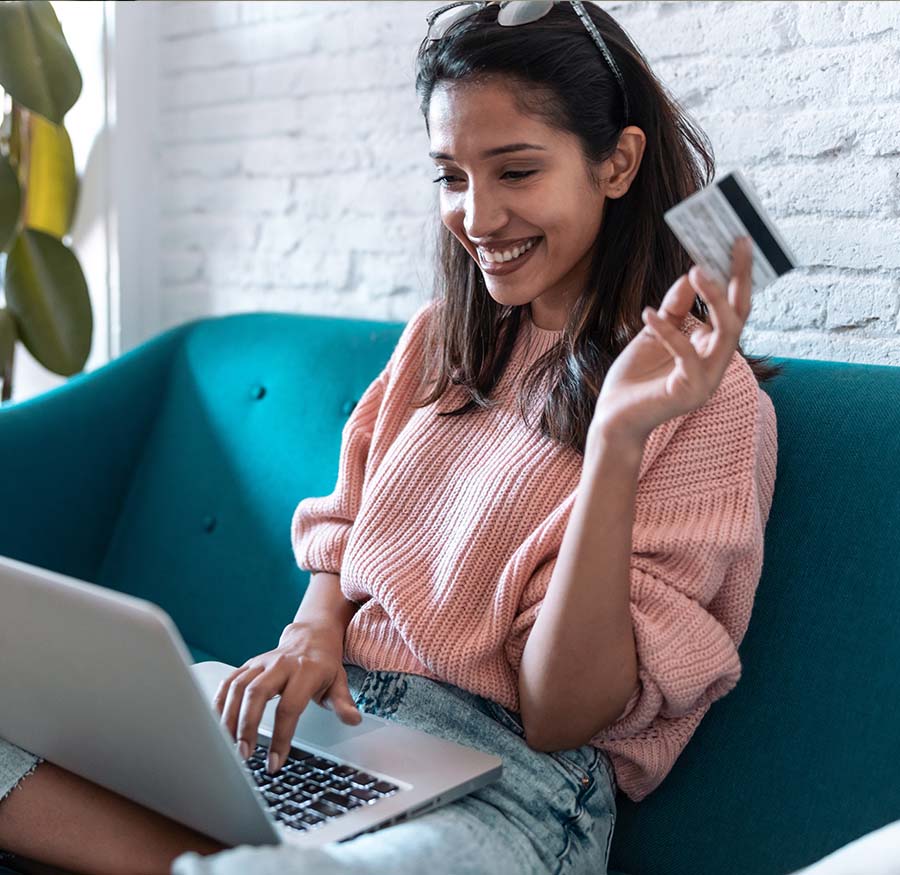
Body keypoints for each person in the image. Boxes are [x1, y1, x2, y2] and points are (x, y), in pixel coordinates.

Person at [0, 2, 780, 873]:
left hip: (512, 794)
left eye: (516, 171)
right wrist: (311, 631)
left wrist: (616, 440)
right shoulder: (440, 341)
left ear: (617, 162)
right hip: (337, 736)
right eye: (451, 176)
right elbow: (344, 537)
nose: (478, 217)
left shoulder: (710, 405)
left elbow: (561, 714)